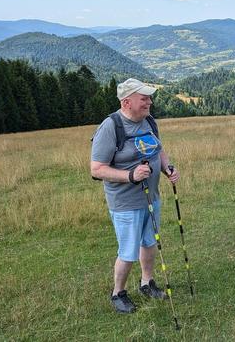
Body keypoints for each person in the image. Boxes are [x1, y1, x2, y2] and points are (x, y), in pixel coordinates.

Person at [90, 78, 180, 314]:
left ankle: (146, 283)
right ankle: (118, 293)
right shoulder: (111, 127)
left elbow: (157, 149)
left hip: (152, 198)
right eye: (144, 98)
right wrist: (130, 175)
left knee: (150, 242)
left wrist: (167, 167)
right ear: (127, 101)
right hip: (125, 203)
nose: (149, 102)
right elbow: (96, 169)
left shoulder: (148, 121)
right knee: (128, 251)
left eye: (149, 97)